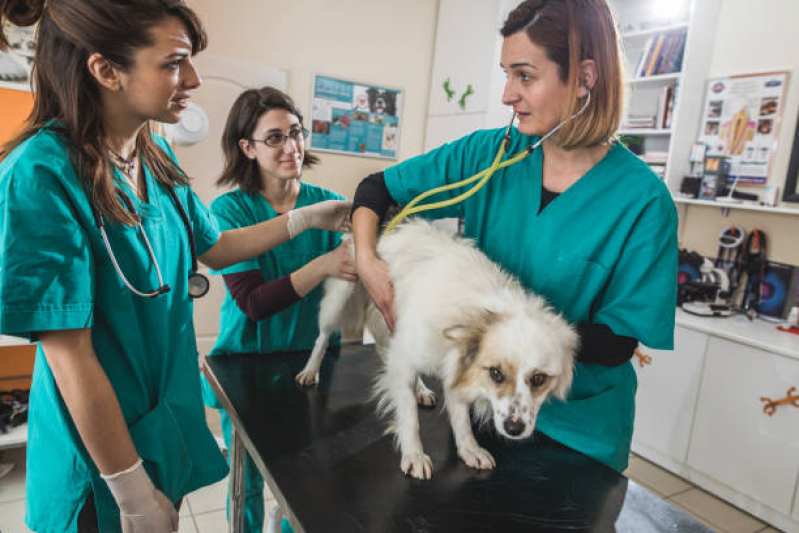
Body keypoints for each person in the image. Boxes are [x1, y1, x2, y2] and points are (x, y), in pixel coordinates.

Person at [0, 2, 349, 532]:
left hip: (158, 425)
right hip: (99, 456)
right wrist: (132, 491)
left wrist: (305, 218)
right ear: (106, 69)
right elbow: (71, 358)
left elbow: (217, 247)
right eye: (174, 62)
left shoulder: (154, 160)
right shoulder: (39, 174)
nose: (193, 78)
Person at [352, 0, 677, 473]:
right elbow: (376, 188)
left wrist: (501, 332)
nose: (508, 95)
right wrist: (367, 261)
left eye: (524, 76)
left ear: (585, 77)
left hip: (578, 433)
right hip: (485, 412)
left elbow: (617, 342)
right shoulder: (492, 153)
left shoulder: (643, 202)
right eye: (506, 75)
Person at [201, 86, 356, 533]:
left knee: (309, 475)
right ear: (246, 147)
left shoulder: (327, 200)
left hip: (311, 362)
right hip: (246, 364)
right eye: (274, 138)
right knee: (246, 480)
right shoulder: (229, 211)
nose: (291, 146)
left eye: (296, 132)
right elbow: (253, 303)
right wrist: (325, 263)